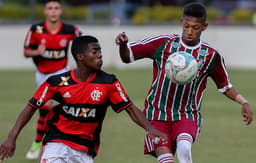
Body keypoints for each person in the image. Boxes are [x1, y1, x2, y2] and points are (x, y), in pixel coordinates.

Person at [115, 2, 253, 163]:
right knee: (166, 161)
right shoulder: (164, 43)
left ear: (204, 27)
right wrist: (123, 44)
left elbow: (224, 85)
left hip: (186, 114)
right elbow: (127, 56)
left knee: (184, 148)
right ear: (182, 22)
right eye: (187, 26)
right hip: (157, 114)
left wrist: (243, 101)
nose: (189, 31)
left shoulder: (210, 55)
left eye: (195, 28)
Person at [0, 35, 167, 163]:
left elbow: (130, 108)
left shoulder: (109, 82)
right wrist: (11, 137)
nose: (100, 56)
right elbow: (31, 107)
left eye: (100, 52)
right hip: (57, 142)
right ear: (80, 56)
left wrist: (149, 128)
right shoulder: (57, 82)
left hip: (85, 150)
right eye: (95, 52)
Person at [23, 0, 81, 159]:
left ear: (61, 11)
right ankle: (37, 143)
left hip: (62, 72)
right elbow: (26, 52)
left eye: (56, 8)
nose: (53, 11)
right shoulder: (36, 29)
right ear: (45, 12)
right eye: (50, 8)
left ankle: (67, 143)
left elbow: (83, 42)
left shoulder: (70, 30)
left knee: (67, 107)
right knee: (45, 108)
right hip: (42, 75)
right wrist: (37, 52)